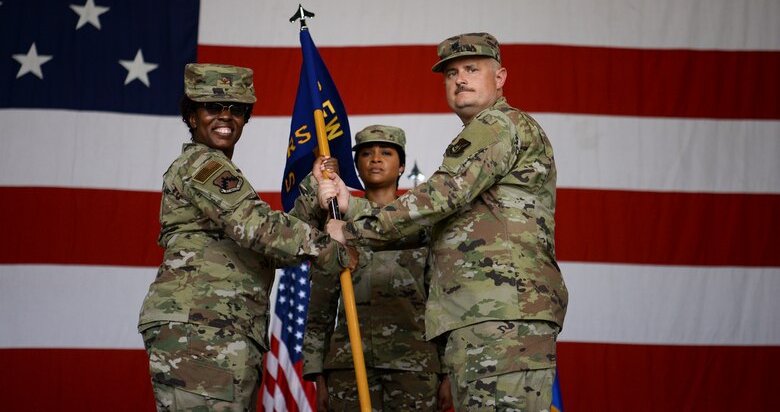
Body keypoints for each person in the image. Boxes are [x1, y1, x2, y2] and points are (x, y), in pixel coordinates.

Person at [320, 33, 568, 411]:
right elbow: (433, 225)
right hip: (487, 316)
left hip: (500, 316)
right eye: (451, 74)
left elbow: (443, 194)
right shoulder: (489, 133)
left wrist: (351, 230)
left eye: (472, 69)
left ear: (500, 77)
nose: (460, 80)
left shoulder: (498, 125)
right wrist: (352, 209)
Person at [137, 63, 353, 412]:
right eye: (212, 107)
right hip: (203, 328)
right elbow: (257, 227)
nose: (226, 117)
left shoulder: (221, 171)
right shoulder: (202, 166)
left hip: (223, 327)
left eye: (236, 109)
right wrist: (333, 248)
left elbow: (268, 250)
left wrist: (314, 187)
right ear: (191, 117)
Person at [302, 125, 453, 412]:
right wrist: (317, 374)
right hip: (349, 364)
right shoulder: (335, 222)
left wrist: (447, 371)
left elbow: (442, 300)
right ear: (356, 166)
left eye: (386, 152)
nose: (375, 159)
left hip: (414, 365)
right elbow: (320, 307)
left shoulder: (422, 219)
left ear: (402, 166)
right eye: (366, 153)